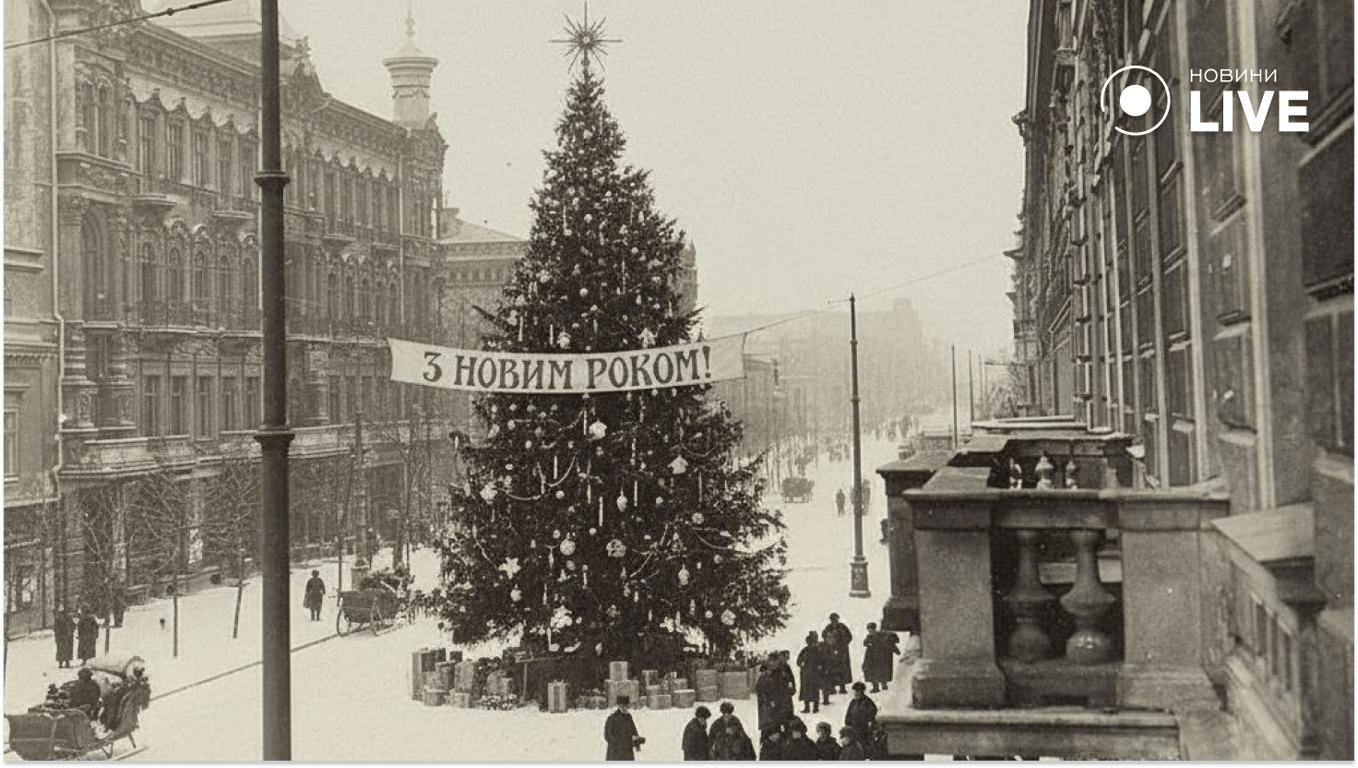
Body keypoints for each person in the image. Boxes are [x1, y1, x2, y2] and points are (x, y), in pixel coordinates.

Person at [603, 695, 643, 763]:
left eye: (626, 705)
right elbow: (608, 735)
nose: (625, 707)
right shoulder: (612, 718)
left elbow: (634, 732)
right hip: (615, 754)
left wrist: (637, 743)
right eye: (622, 705)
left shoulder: (629, 717)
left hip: (627, 752)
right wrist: (618, 745)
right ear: (618, 705)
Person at [863, 623, 901, 693]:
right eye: (868, 630)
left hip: (879, 657)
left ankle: (882, 685)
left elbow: (890, 643)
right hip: (873, 657)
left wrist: (896, 650)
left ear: (873, 629)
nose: (869, 631)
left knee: (879, 670)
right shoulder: (870, 636)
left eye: (870, 629)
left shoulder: (881, 635)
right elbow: (865, 643)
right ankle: (878, 686)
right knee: (875, 671)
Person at [822, 613, 853, 694]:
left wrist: (843, 644)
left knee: (842, 669)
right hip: (831, 652)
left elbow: (849, 637)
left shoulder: (842, 627)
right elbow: (824, 636)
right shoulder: (828, 627)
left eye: (835, 619)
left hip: (842, 652)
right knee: (832, 670)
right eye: (832, 619)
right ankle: (832, 687)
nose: (833, 621)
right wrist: (829, 643)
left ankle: (842, 687)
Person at [796, 631, 826, 714]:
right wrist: (801, 662)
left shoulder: (818, 650)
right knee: (806, 691)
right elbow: (798, 661)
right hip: (805, 674)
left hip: (815, 674)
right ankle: (807, 707)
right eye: (809, 642)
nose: (811, 644)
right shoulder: (804, 651)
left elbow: (823, 661)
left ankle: (815, 707)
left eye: (812, 642)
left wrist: (821, 666)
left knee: (815, 690)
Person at [844, 681, 878, 747]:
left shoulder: (868, 702)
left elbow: (873, 717)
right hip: (854, 731)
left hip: (864, 732)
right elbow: (848, 717)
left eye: (857, 691)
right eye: (854, 691)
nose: (855, 693)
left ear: (862, 691)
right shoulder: (853, 702)